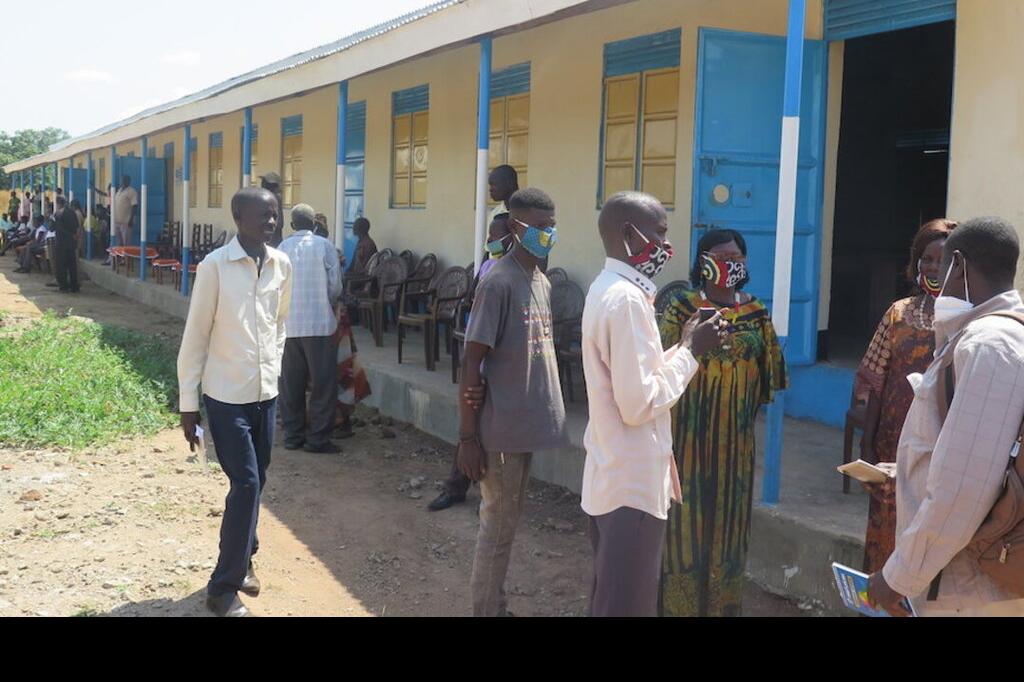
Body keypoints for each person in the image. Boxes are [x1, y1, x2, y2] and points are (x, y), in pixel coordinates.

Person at [868, 216, 1024, 618]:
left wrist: (899, 576)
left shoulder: (988, 345)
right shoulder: (998, 337)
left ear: (959, 265)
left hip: (971, 587)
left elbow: (964, 489)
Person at [580, 192, 726, 617]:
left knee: (612, 599)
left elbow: (635, 379)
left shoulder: (608, 289)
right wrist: (692, 351)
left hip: (614, 476)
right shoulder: (626, 300)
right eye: (660, 233)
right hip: (631, 488)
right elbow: (639, 404)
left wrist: (682, 344)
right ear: (629, 234)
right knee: (625, 605)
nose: (666, 244)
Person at [657, 228, 787, 617]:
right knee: (683, 532)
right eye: (720, 258)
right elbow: (660, 367)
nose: (730, 265)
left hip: (735, 450)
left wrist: (735, 417)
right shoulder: (682, 307)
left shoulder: (756, 313)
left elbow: (768, 380)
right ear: (702, 263)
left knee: (729, 532)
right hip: (686, 445)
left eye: (736, 258)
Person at [177, 187, 292, 618]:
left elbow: (279, 322)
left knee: (257, 480)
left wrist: (272, 369)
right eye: (263, 215)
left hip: (265, 395)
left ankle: (244, 559)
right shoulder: (215, 267)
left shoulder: (281, 264)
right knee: (245, 482)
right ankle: (222, 588)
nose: (271, 222)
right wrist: (188, 402)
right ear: (238, 216)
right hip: (226, 397)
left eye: (275, 214)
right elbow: (196, 334)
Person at [457, 187, 567, 617]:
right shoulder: (498, 282)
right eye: (540, 227)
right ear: (517, 228)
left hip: (523, 428)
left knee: (507, 524)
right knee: (497, 529)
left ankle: (496, 606)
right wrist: (467, 437)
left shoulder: (540, 281)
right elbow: (472, 360)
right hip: (499, 431)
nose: (548, 234)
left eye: (552, 226)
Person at [854, 219, 956, 574]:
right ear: (917, 262)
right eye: (927, 259)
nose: (934, 268)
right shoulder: (898, 314)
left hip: (941, 449)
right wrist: (867, 443)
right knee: (886, 530)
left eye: (943, 261)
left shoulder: (969, 321)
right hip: (892, 446)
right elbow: (875, 381)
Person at [428, 212, 513, 513]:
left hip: (505, 364)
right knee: (471, 428)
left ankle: (490, 497)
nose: (490, 240)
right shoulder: (490, 265)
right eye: (489, 235)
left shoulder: (520, 273)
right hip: (481, 355)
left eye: (496, 235)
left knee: (497, 436)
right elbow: (474, 294)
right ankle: (457, 485)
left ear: (511, 237)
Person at [277, 203, 344, 454]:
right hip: (320, 325)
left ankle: (293, 436)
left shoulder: (282, 248)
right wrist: (325, 302)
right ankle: (318, 439)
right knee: (323, 384)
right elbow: (335, 287)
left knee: (290, 384)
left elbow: (275, 287)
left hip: (289, 326)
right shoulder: (325, 246)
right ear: (315, 224)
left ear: (292, 225)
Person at [50, 196, 80, 293]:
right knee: (72, 265)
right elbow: (76, 226)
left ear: (58, 204)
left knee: (61, 266)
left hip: (61, 243)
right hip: (71, 243)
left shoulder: (56, 214)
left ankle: (63, 286)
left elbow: (51, 228)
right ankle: (74, 286)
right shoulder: (72, 213)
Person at [260, 172, 284, 246]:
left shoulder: (273, 198)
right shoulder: (273, 197)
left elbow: (279, 223)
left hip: (271, 239)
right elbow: (280, 223)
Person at [113, 175, 138, 248]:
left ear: (128, 181)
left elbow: (135, 206)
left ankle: (126, 256)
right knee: (119, 244)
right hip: (117, 222)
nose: (123, 181)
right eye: (122, 180)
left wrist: (131, 219)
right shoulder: (119, 191)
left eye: (125, 180)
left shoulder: (131, 191)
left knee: (126, 244)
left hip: (126, 223)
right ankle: (121, 256)